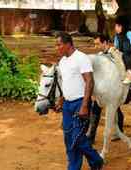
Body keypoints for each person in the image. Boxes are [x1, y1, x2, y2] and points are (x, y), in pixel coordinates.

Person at [55, 32, 103, 170]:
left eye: (59, 44)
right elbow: (67, 83)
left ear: (68, 44)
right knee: (68, 138)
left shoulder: (81, 58)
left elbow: (89, 81)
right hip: (68, 105)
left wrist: (85, 105)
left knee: (77, 139)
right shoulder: (63, 61)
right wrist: (62, 100)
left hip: (80, 103)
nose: (57, 48)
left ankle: (96, 160)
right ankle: (75, 166)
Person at [87, 34, 125, 144]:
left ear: (105, 43)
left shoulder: (115, 54)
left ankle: (118, 132)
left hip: (114, 88)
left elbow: (121, 70)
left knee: (115, 110)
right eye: (95, 44)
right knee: (96, 109)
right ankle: (91, 135)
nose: (96, 47)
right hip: (101, 88)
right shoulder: (99, 55)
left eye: (98, 44)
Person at [113, 16, 131, 84]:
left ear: (124, 26)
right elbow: (116, 46)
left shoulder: (129, 33)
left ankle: (130, 73)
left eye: (119, 26)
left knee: (125, 55)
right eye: (116, 26)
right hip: (122, 52)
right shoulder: (117, 36)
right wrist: (113, 49)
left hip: (130, 52)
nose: (116, 28)